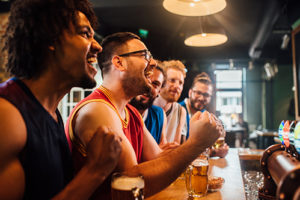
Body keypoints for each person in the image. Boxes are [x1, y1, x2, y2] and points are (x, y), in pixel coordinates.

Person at [66, 32, 221, 199]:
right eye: (145, 56)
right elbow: (131, 181)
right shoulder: (98, 109)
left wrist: (201, 144)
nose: (153, 63)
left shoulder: (131, 113)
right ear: (119, 63)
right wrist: (195, 143)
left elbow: (159, 159)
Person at [0, 0, 122, 199]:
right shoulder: (7, 115)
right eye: (85, 33)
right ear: (50, 38)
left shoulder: (52, 112)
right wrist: (95, 171)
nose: (98, 46)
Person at [180, 72, 229, 158]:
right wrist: (213, 153)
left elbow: (206, 146)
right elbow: (180, 149)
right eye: (198, 93)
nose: (201, 98)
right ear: (190, 92)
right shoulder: (178, 110)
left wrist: (218, 150)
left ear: (210, 97)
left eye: (206, 95)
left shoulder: (206, 116)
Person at [129, 64, 168, 145]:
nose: (148, 86)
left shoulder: (159, 114)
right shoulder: (119, 111)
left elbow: (163, 147)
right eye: (145, 78)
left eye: (155, 84)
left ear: (159, 92)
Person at [153, 60, 187, 144]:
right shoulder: (146, 106)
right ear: (162, 81)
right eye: (172, 80)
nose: (177, 86)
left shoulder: (180, 111)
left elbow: (176, 147)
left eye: (180, 83)